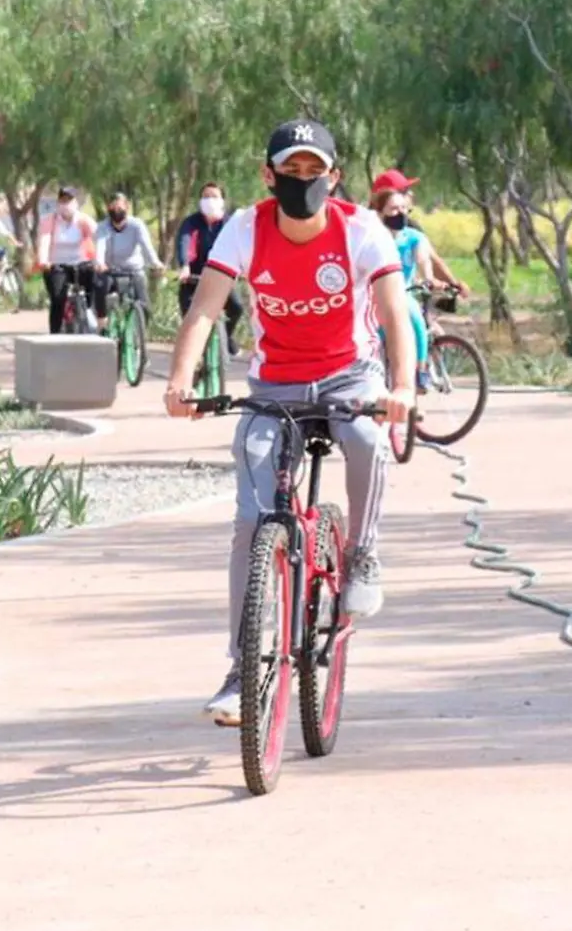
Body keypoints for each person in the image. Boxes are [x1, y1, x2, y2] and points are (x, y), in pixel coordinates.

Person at [163, 119, 418, 724]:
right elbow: (205, 308)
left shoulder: (361, 229)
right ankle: (241, 670)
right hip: (274, 382)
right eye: (290, 169)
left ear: (334, 176)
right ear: (267, 173)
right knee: (251, 522)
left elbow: (392, 313)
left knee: (365, 439)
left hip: (349, 377)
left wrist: (402, 388)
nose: (301, 180)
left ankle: (364, 555)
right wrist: (181, 382)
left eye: (313, 170)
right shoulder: (244, 228)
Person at [369, 188, 436, 389]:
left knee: (416, 321)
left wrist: (428, 279)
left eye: (404, 208)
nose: (400, 213)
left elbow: (424, 262)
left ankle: (421, 371)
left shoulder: (414, 238)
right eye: (394, 209)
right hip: (375, 295)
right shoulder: (372, 237)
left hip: (403, 293)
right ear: (380, 212)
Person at [370, 169, 470, 297]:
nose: (411, 194)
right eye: (405, 191)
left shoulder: (409, 230)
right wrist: (453, 284)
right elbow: (434, 261)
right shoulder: (370, 232)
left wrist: (451, 284)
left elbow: (427, 259)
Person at [173, 183, 245, 356]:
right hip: (194, 278)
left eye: (214, 196)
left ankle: (226, 337)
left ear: (222, 201)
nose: (209, 200)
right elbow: (184, 241)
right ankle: (195, 361)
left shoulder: (230, 223)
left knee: (236, 307)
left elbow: (240, 245)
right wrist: (184, 266)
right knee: (190, 322)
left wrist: (243, 268)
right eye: (206, 196)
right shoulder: (192, 222)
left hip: (222, 277)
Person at [93, 192, 164, 330]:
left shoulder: (137, 225)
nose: (116, 211)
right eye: (113, 207)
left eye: (120, 207)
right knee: (100, 285)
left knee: (144, 304)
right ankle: (102, 322)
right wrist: (99, 263)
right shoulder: (103, 227)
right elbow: (100, 246)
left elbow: (146, 246)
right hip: (110, 270)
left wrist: (155, 263)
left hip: (133, 270)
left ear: (127, 207)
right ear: (108, 209)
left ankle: (140, 335)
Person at [34, 186, 100, 332]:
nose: (66, 204)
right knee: (58, 300)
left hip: (80, 263)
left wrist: (100, 261)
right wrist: (43, 260)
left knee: (95, 282)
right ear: (58, 203)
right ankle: (55, 335)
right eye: (62, 200)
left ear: (76, 203)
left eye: (69, 200)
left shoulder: (83, 220)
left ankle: (90, 312)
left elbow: (98, 238)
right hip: (56, 266)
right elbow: (44, 241)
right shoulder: (49, 221)